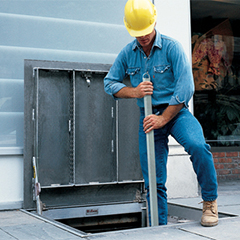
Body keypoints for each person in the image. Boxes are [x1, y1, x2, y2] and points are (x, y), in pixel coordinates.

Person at [104, 0, 218, 227]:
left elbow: (186, 89)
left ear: (154, 21)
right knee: (153, 177)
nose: (143, 37)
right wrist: (134, 91)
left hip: (176, 113)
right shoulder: (128, 53)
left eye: (146, 30)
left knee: (198, 146)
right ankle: (159, 227)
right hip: (148, 118)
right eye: (138, 33)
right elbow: (110, 83)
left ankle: (210, 203)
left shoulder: (172, 47)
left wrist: (164, 118)